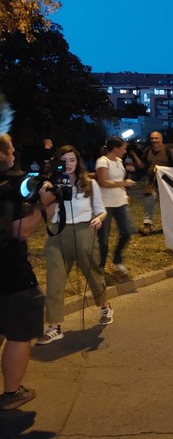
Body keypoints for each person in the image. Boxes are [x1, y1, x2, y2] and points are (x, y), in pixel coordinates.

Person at [0, 134, 57, 409]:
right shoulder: (4, 189)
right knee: (20, 332)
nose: (14, 155)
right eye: (10, 151)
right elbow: (18, 231)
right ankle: (12, 393)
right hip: (10, 273)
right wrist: (41, 207)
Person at [38, 145, 115, 346]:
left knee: (93, 274)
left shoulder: (88, 183)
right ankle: (54, 326)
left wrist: (99, 219)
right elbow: (44, 214)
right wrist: (51, 193)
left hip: (84, 231)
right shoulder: (50, 184)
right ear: (58, 162)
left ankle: (105, 306)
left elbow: (101, 210)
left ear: (78, 161)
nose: (69, 164)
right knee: (54, 279)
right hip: (58, 233)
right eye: (64, 160)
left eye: (72, 160)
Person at [95, 136, 135, 275]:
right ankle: (100, 266)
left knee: (127, 232)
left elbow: (118, 180)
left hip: (120, 202)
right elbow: (104, 182)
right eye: (123, 148)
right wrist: (124, 184)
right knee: (103, 238)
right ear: (115, 148)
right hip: (105, 204)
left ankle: (117, 258)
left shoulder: (119, 161)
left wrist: (124, 193)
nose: (125, 151)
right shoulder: (102, 161)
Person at [140, 131, 173, 236]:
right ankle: (147, 225)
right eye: (152, 138)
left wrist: (170, 175)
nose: (154, 140)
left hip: (166, 183)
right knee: (149, 201)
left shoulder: (168, 150)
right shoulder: (148, 151)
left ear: (161, 139)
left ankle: (172, 227)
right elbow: (142, 165)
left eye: (156, 138)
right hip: (152, 181)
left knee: (168, 205)